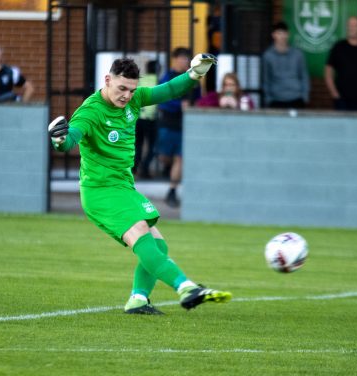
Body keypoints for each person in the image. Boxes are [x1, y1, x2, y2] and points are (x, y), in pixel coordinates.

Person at [47, 55, 232, 315]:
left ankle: (138, 299)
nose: (127, 96)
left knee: (159, 246)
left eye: (132, 90)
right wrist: (60, 140)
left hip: (123, 187)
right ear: (107, 80)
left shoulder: (135, 100)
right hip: (100, 191)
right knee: (142, 230)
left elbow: (168, 90)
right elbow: (71, 138)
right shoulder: (91, 110)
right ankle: (186, 288)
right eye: (121, 88)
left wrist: (194, 74)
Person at [156, 47, 200, 208]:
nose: (183, 62)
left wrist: (192, 106)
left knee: (179, 157)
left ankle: (172, 190)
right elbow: (161, 98)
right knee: (164, 157)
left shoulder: (193, 79)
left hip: (185, 124)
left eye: (186, 59)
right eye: (180, 58)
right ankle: (168, 168)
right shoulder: (167, 77)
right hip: (168, 123)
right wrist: (178, 105)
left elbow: (198, 99)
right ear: (174, 59)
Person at [262, 21, 310, 109]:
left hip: (296, 99)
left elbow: (304, 76)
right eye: (279, 33)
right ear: (273, 35)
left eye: (284, 33)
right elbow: (266, 79)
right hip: (276, 100)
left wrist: (304, 97)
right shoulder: (268, 56)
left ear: (288, 34)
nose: (282, 36)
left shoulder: (298, 54)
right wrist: (268, 99)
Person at [134, 60, 159, 179]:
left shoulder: (141, 80)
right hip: (152, 118)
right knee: (153, 146)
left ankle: (134, 167)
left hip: (139, 117)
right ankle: (145, 169)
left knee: (138, 144)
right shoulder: (159, 81)